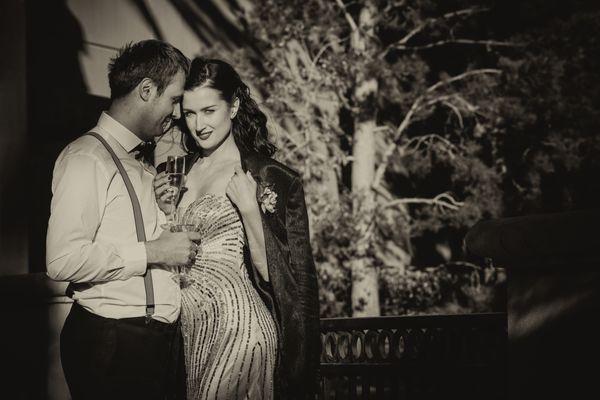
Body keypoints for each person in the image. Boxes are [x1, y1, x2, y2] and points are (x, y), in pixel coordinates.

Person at [153, 57, 321, 399]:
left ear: (234, 107)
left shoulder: (269, 177)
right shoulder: (175, 171)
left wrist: (249, 209)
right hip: (188, 331)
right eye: (189, 113)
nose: (198, 125)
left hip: (239, 327)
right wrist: (160, 209)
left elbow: (283, 276)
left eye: (209, 111)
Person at [46, 40, 200, 400]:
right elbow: (62, 259)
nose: (177, 113)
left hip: (152, 346)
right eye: (174, 99)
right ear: (147, 90)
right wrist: (153, 251)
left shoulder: (138, 163)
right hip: (115, 342)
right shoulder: (87, 157)